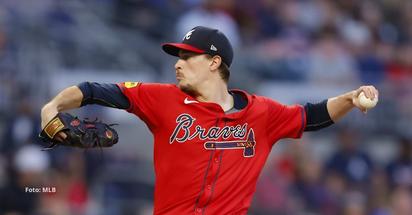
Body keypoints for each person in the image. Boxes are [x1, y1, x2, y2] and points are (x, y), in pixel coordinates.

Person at [40, 26, 379, 214]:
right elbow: (93, 90)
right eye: (178, 56)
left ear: (215, 63)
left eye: (188, 56)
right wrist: (53, 105)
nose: (178, 63)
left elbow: (312, 116)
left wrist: (349, 99)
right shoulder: (161, 99)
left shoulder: (261, 113)